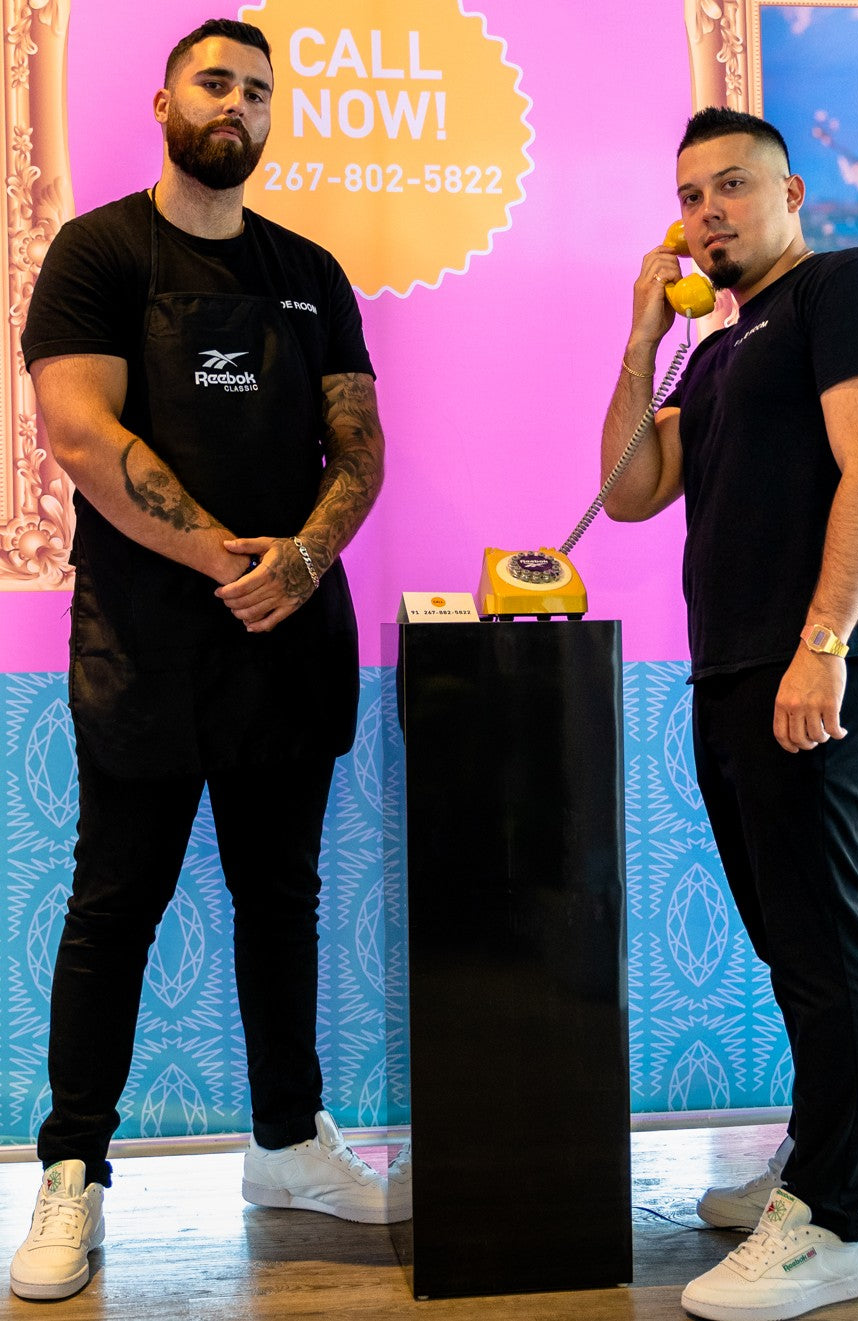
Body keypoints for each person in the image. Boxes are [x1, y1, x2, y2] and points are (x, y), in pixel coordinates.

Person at [10, 17, 407, 1304]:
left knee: (279, 899)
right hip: (149, 644)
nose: (236, 104)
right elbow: (79, 432)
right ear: (168, 99)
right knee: (113, 905)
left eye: (258, 91)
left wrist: (300, 557)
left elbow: (360, 447)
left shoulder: (309, 270)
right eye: (215, 82)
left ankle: (288, 1142)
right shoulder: (98, 251)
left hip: (290, 638)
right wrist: (226, 561)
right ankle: (74, 1171)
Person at [601, 107, 858, 1321]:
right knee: (789, 936)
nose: (709, 213)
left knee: (824, 933)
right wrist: (643, 330)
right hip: (735, 667)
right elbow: (629, 490)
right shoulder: (719, 347)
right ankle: (827, 1167)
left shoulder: (852, 288)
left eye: (731, 186)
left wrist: (824, 644)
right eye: (691, 196)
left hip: (821, 661)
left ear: (790, 188)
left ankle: (835, 1222)